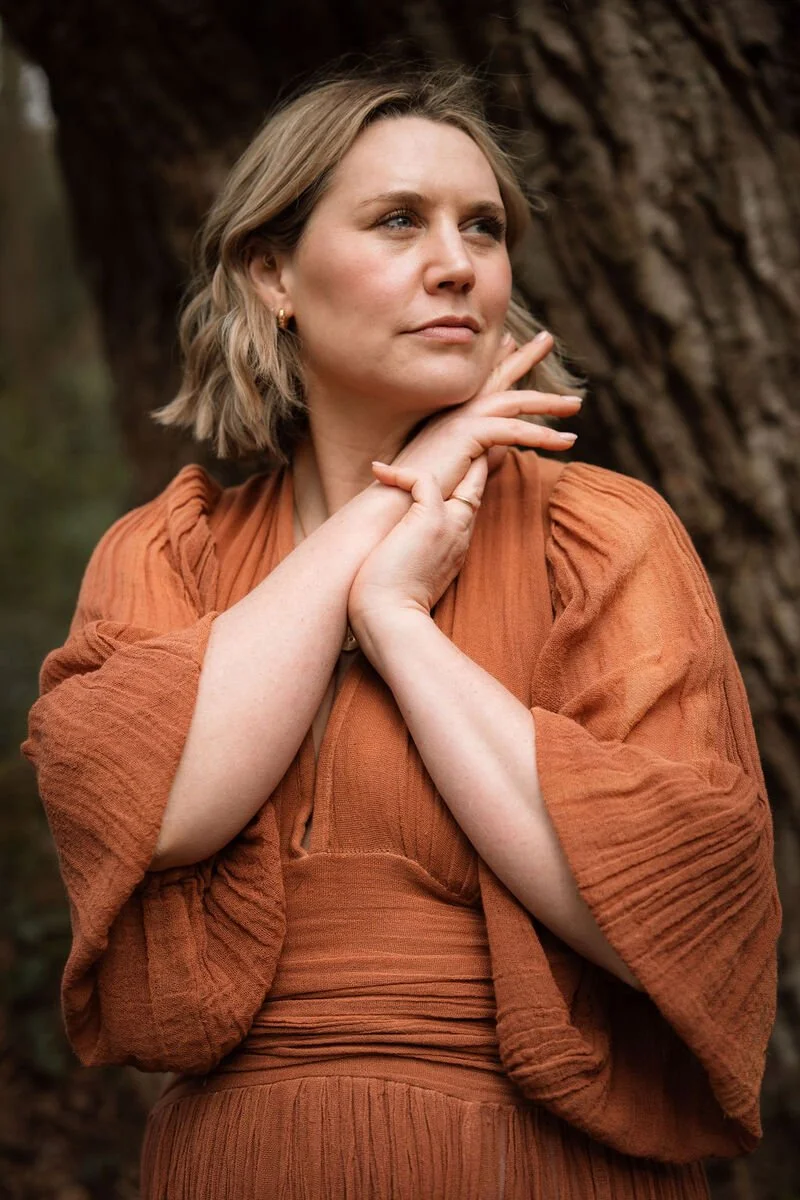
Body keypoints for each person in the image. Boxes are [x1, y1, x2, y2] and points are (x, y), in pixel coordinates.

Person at [24, 67, 780, 1199]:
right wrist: (400, 494)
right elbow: (165, 807)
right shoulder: (167, 554)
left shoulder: (600, 538)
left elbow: (652, 913)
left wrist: (393, 621)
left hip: (536, 1162)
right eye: (397, 221)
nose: (456, 263)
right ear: (272, 272)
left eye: (482, 227)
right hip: (243, 1164)